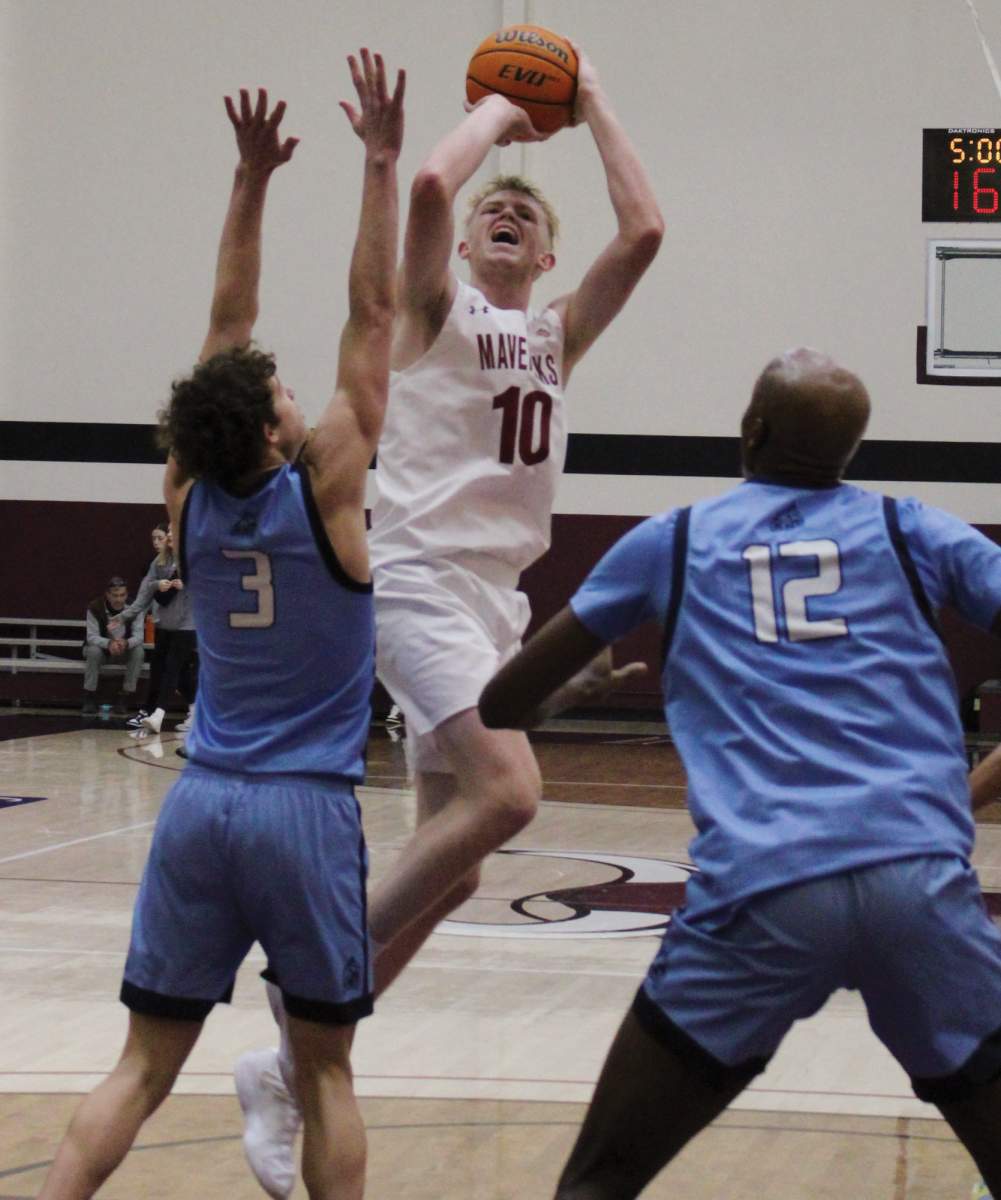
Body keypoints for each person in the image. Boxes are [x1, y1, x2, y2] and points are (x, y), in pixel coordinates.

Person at [235, 45, 663, 1194]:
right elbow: (427, 187)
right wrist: (494, 118)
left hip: (496, 605)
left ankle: (287, 1065)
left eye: (527, 211)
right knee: (509, 794)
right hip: (416, 577)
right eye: (496, 211)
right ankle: (301, 988)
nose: (506, 211)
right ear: (471, 248)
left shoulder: (557, 336)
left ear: (549, 250)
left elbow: (646, 233)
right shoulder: (434, 310)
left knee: (459, 865)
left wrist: (591, 98)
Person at [476, 347, 1001, 1200]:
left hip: (765, 890)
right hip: (919, 891)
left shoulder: (669, 542)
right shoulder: (915, 529)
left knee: (599, 1180)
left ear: (750, 429)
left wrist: (565, 696)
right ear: (849, 455)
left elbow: (500, 705)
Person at [37, 49, 404, 1200]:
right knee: (328, 1074)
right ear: (273, 433)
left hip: (199, 803)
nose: (294, 389)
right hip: (302, 807)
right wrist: (379, 161)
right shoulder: (328, 487)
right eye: (285, 392)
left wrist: (247, 181)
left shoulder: (187, 498)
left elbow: (224, 318)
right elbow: (373, 309)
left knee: (142, 1065)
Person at [121, 524, 198, 732]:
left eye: (173, 531)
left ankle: (157, 714)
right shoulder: (161, 560)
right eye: (169, 532)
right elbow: (145, 591)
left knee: (172, 666)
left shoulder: (193, 555)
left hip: (188, 624)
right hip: (164, 623)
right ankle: (196, 712)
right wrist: (122, 617)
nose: (170, 536)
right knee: (177, 671)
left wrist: (188, 584)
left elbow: (210, 585)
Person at [82, 577, 145, 715]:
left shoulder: (136, 608)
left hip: (124, 648)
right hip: (102, 650)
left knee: (139, 652)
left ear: (127, 595)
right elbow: (91, 637)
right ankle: (90, 695)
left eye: (122, 595)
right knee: (92, 651)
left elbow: (139, 636)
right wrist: (109, 643)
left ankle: (124, 695)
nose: (118, 600)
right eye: (114, 595)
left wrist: (126, 643)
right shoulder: (95, 607)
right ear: (107, 595)